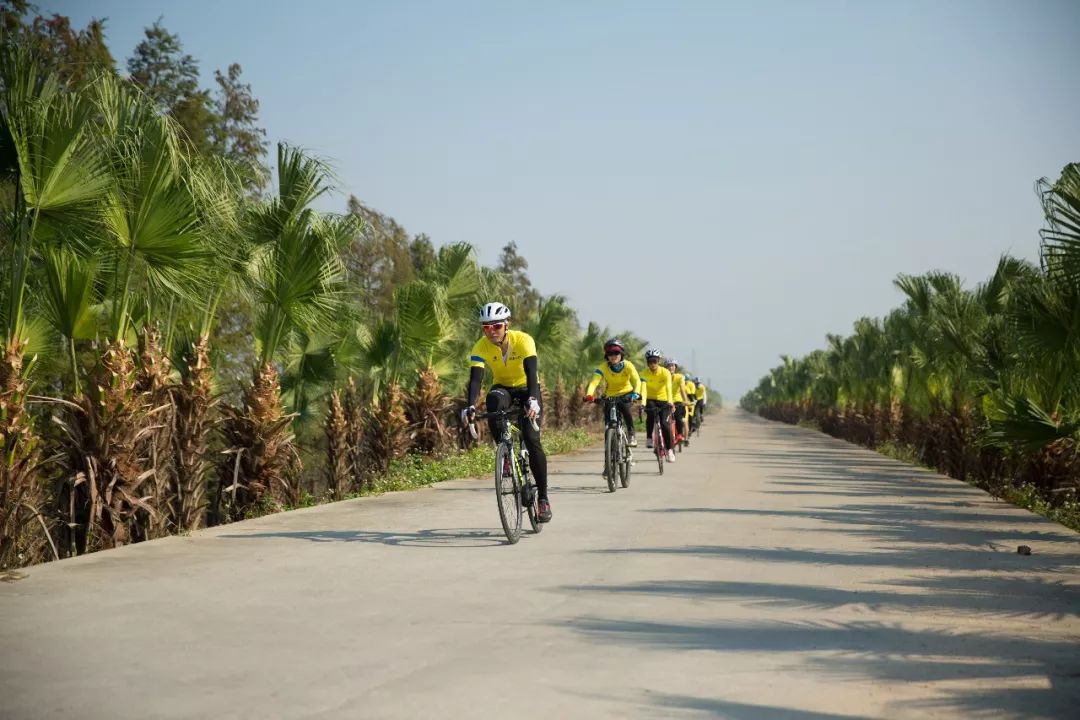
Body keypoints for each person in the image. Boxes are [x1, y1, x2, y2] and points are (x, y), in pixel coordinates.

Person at [461, 302, 551, 522]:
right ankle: (505, 450)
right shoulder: (480, 347)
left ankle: (543, 499)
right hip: (503, 389)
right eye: (486, 328)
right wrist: (471, 405)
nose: (491, 332)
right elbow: (476, 380)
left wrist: (532, 399)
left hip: (526, 388)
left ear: (507, 325)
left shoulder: (523, 340)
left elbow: (531, 372)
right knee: (493, 400)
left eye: (497, 326)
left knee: (531, 439)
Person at [584, 339, 642, 477]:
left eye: (616, 352)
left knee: (625, 409)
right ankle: (608, 465)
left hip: (627, 394)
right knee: (608, 431)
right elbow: (594, 382)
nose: (613, 356)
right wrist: (589, 394)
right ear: (606, 356)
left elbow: (637, 381)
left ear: (621, 354)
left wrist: (636, 393)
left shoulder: (628, 365)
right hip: (610, 396)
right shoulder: (603, 367)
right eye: (610, 353)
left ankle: (631, 433)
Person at [640, 348, 676, 462]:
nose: (652, 364)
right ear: (647, 362)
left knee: (665, 425)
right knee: (650, 416)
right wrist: (643, 403)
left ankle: (670, 450)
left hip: (664, 400)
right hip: (650, 399)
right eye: (650, 361)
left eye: (655, 361)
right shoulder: (644, 374)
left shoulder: (665, 372)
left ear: (658, 361)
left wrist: (670, 401)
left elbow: (668, 388)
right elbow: (643, 390)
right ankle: (649, 438)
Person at [667, 357, 689, 445]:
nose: (670, 367)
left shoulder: (680, 377)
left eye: (672, 365)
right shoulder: (663, 376)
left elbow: (682, 390)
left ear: (675, 367)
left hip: (677, 400)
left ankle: (679, 434)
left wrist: (686, 401)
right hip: (666, 400)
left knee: (679, 417)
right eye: (668, 366)